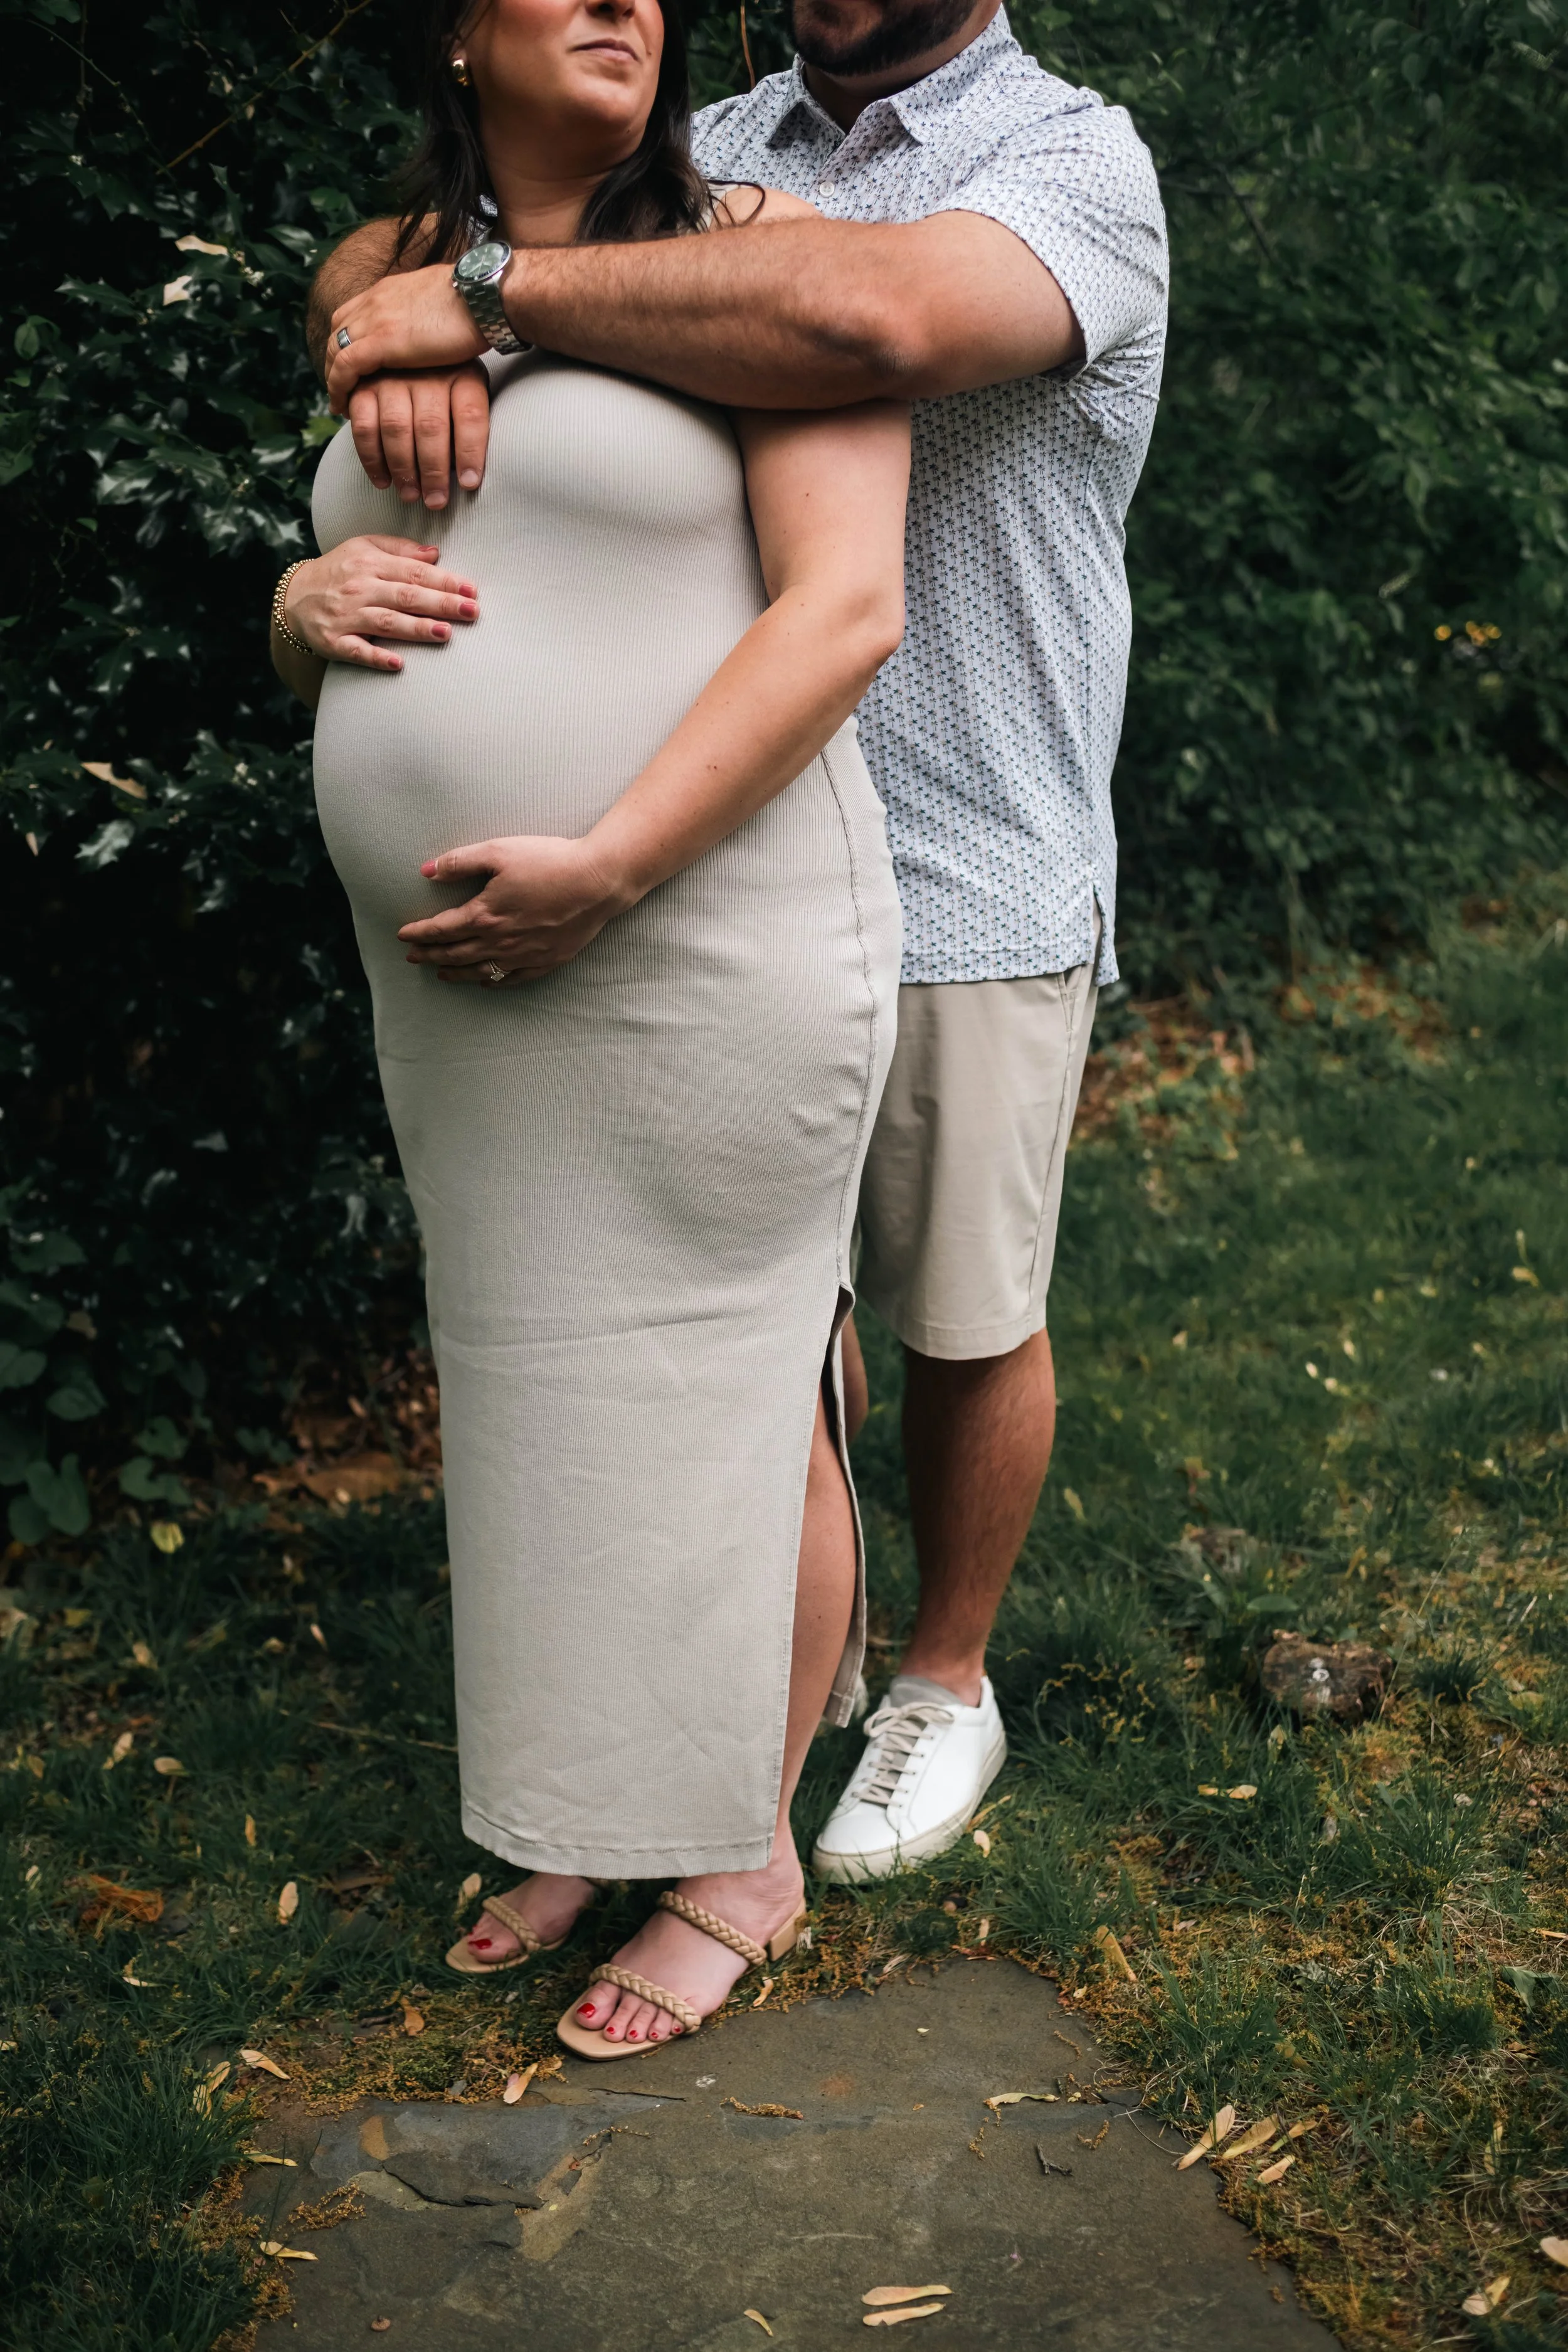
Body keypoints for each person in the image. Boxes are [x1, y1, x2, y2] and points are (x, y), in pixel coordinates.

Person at [313, 0, 1168, 1885]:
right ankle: (767, 1701)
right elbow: (424, 266)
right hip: (722, 848)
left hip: (966, 834)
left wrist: (472, 292)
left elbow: (855, 321)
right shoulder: (723, 149)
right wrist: (395, 322)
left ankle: (939, 1675)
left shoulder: (1071, 159)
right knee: (765, 1358)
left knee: (958, 1309)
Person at [273, 0, 909, 2052]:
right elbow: (364, 569)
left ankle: (738, 1854)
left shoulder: (759, 245)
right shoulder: (369, 277)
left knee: (733, 1384)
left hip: (711, 913)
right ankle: (587, 1802)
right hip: (463, 985)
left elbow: (843, 609)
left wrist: (613, 859)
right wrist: (293, 611)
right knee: (533, 1354)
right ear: (459, 35)